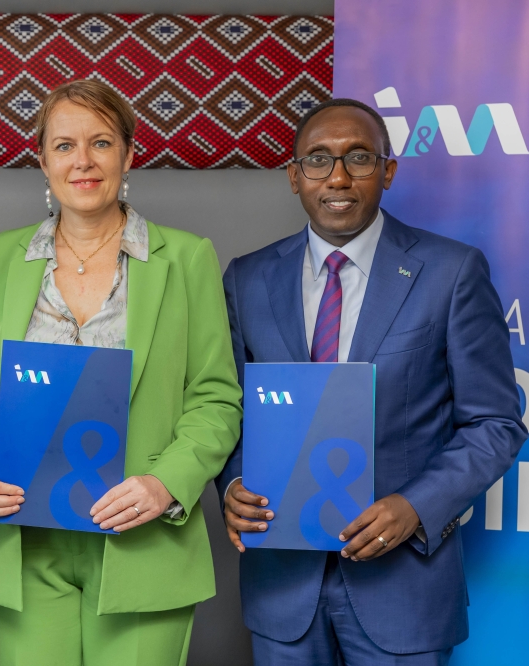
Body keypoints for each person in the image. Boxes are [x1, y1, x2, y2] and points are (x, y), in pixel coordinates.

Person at [217, 98, 527, 665]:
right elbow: (227, 411)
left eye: (359, 157)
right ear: (294, 177)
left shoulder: (451, 272)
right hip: (284, 589)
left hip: (403, 588)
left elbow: (495, 422)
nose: (337, 176)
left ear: (388, 171)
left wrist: (415, 506)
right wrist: (232, 487)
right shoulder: (247, 278)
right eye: (318, 160)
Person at [0, 79, 243, 666]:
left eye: (101, 142)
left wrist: (166, 485)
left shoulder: (186, 258)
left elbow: (215, 399)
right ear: (42, 159)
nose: (82, 161)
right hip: (21, 545)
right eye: (64, 145)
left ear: (128, 155)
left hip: (143, 542)